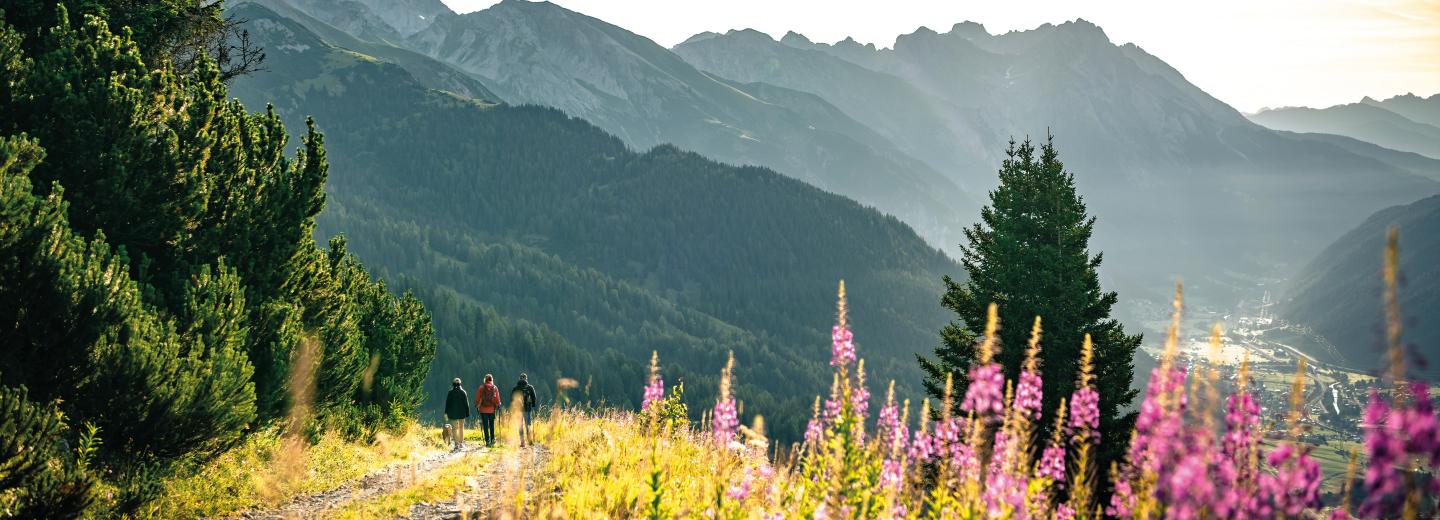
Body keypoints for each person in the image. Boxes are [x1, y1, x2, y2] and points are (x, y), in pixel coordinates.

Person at [474, 374, 501, 448]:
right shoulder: (494, 388)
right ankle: (492, 440)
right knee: (492, 425)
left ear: (485, 379)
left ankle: (487, 441)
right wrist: (498, 404)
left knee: (485, 426)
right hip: (492, 410)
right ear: (491, 379)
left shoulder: (481, 388)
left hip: (483, 410)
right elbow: (497, 398)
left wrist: (477, 405)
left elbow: (478, 397)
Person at [511, 373, 538, 446]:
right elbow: (534, 397)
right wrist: (533, 405)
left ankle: (522, 442)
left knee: (520, 426)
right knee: (528, 424)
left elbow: (512, 398)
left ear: (519, 378)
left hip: (519, 410)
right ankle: (530, 441)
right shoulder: (530, 387)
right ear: (526, 379)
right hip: (527, 409)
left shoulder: (516, 388)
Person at [444, 377, 470, 451]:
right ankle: (461, 443)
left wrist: (446, 414)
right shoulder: (463, 392)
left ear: (453, 384)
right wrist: (467, 413)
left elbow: (447, 404)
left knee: (455, 428)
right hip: (462, 413)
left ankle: (456, 444)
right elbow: (466, 404)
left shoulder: (450, 393)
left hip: (453, 414)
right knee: (461, 428)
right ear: (460, 384)